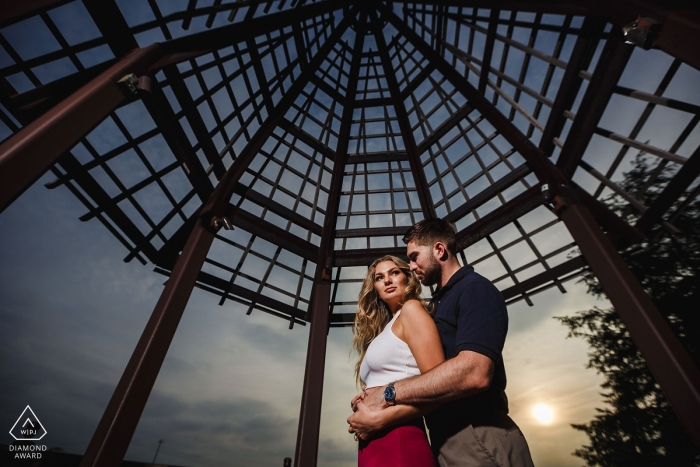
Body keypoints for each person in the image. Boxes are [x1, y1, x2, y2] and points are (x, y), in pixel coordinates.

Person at [348, 219, 534, 467]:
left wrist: (387, 393)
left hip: (478, 430)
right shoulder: (438, 305)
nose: (411, 267)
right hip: (444, 437)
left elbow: (474, 373)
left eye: (414, 257)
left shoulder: (474, 289)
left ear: (439, 250)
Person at [349, 255, 444, 467]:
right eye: (379, 277)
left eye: (394, 272)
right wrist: (364, 400)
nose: (388, 280)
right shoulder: (385, 329)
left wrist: (379, 418)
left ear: (407, 277)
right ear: (374, 287)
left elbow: (439, 388)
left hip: (399, 437)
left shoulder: (411, 310)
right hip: (372, 441)